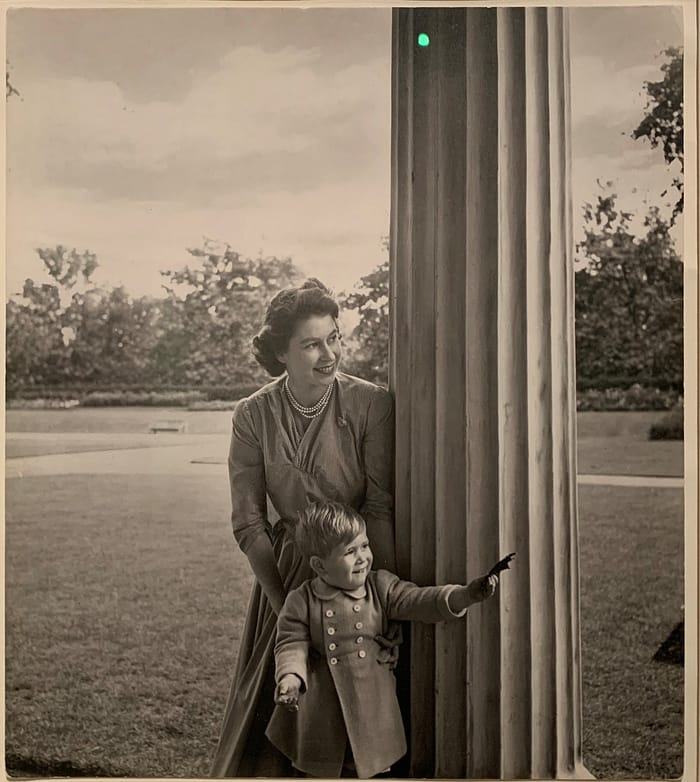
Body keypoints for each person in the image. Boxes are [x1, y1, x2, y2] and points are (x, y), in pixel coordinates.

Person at [211, 279, 396, 777]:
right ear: (281, 353)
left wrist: (374, 597)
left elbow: (378, 507)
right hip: (286, 577)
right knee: (283, 711)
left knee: (360, 720)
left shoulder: (370, 404)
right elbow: (248, 522)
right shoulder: (252, 415)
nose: (329, 354)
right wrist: (285, 607)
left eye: (334, 338)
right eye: (312, 344)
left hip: (356, 574)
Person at [266, 501, 500, 779]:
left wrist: (464, 595)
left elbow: (419, 600)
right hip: (322, 711)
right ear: (320, 565)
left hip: (371, 709)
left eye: (364, 546)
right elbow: (290, 643)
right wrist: (291, 678)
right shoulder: (301, 599)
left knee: (371, 768)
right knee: (321, 770)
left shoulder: (380, 586)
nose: (363, 557)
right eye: (350, 552)